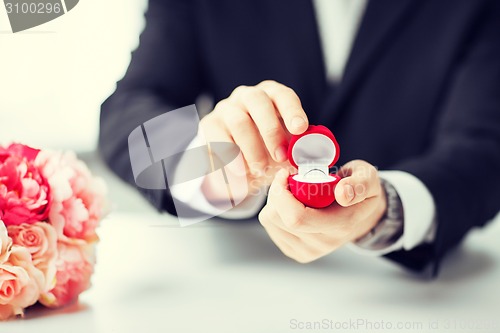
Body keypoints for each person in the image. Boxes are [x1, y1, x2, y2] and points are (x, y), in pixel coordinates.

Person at [99, 0, 500, 276]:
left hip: (411, 294)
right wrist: (206, 166)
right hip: (230, 283)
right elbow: (132, 105)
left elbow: (485, 148)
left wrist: (388, 207)